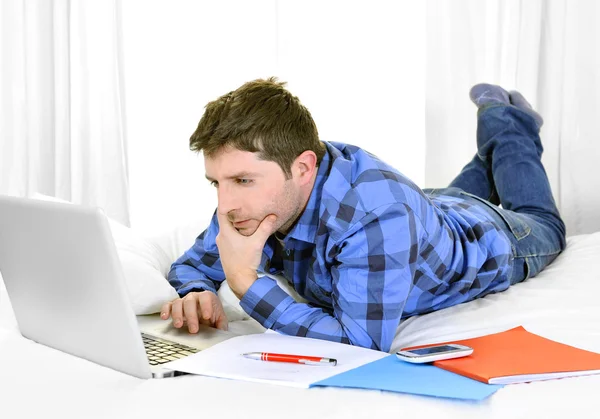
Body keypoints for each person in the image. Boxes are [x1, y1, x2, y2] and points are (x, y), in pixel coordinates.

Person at [161, 78, 566, 352]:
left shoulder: (376, 217)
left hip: (490, 240)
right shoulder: (251, 200)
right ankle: (497, 137)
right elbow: (192, 267)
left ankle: (508, 123)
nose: (225, 205)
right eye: (217, 183)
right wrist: (196, 290)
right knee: (449, 195)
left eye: (242, 180)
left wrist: (246, 284)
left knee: (542, 219)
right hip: (428, 212)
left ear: (303, 168)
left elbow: (361, 346)